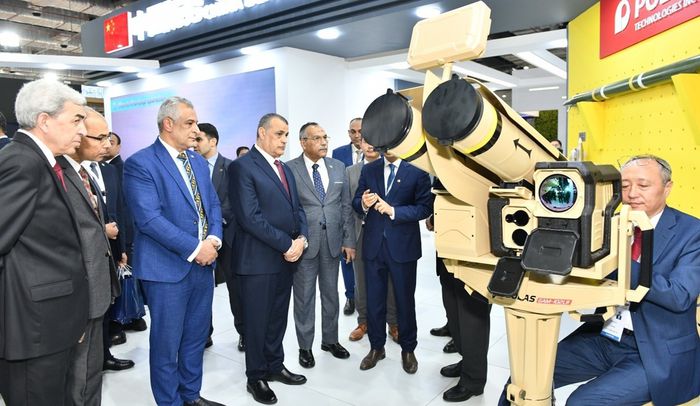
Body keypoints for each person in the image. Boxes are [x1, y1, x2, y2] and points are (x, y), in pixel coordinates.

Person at [499, 154, 700, 406]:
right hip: (604, 336)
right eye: (624, 186)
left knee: (582, 402)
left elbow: (679, 295)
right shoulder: (606, 225)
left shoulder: (692, 232)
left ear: (667, 187)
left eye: (643, 185)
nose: (632, 193)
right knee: (522, 381)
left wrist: (617, 260)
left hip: (655, 351)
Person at [123, 96, 224, 406]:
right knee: (167, 345)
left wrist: (214, 240)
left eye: (196, 123)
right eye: (189, 123)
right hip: (166, 269)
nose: (196, 130)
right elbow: (149, 219)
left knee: (195, 338)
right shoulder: (141, 163)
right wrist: (196, 249)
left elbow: (213, 205)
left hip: (203, 266)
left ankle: (191, 396)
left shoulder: (196, 161)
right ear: (168, 124)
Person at [0, 78, 89, 405]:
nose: (83, 130)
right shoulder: (21, 162)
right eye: (76, 119)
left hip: (49, 323)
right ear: (44, 120)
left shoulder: (40, 161)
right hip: (33, 329)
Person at [228, 113, 309, 405]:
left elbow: (298, 210)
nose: (284, 140)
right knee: (257, 321)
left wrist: (302, 239)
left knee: (277, 318)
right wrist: (287, 244)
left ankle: (275, 366)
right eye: (279, 134)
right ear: (262, 133)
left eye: (286, 134)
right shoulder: (242, 167)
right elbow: (250, 217)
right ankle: (256, 376)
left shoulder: (284, 169)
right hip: (257, 261)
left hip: (285, 259)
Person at [57, 107, 121, 405]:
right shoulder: (57, 173)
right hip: (78, 292)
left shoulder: (86, 171)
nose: (106, 144)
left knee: (91, 371)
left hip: (98, 286)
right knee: (78, 376)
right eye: (100, 137)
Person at [353, 150, 433, 374]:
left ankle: (408, 349)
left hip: (403, 248)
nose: (387, 147)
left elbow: (425, 208)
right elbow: (356, 202)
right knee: (374, 301)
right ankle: (376, 347)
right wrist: (363, 203)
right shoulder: (369, 170)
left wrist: (394, 211)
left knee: (404, 301)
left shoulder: (417, 170)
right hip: (373, 246)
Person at [286, 122, 355, 369]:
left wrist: (349, 240)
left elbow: (345, 207)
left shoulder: (338, 167)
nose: (324, 142)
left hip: (333, 242)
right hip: (304, 244)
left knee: (331, 294)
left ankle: (330, 340)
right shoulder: (290, 169)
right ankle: (305, 347)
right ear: (303, 142)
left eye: (325, 137)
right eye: (317, 138)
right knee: (304, 297)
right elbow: (288, 208)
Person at [426, 183, 491, 402]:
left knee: (472, 321)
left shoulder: (479, 172)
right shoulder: (446, 171)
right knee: (455, 317)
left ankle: (473, 380)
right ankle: (468, 362)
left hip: (474, 257)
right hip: (448, 253)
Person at [194, 122, 243, 350]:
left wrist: (213, 224)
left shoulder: (232, 167)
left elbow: (236, 201)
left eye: (199, 139)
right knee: (202, 291)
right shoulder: (190, 167)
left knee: (236, 290)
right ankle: (204, 334)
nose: (195, 143)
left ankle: (244, 332)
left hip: (228, 236)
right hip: (198, 242)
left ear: (213, 141)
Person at [346, 137, 399, 343]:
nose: (369, 145)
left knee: (391, 280)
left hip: (387, 233)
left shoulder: (392, 168)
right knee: (361, 280)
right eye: (365, 141)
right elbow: (346, 208)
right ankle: (363, 322)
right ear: (359, 144)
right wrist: (348, 240)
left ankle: (393, 322)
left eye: (373, 141)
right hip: (361, 233)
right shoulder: (351, 172)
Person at [332, 117, 364, 315]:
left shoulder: (375, 150)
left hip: (367, 212)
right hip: (345, 214)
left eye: (360, 130)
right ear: (348, 133)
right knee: (347, 258)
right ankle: (350, 296)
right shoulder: (339, 153)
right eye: (353, 131)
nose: (357, 135)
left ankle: (365, 297)